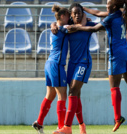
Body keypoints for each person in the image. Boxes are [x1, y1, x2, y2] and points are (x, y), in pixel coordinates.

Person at [67, 0, 127, 132]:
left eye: (108, 3)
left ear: (114, 6)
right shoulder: (121, 13)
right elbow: (99, 13)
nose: (106, 4)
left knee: (114, 87)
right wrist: (85, 8)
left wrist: (76, 27)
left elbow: (93, 28)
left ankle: (118, 118)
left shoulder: (111, 17)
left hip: (116, 53)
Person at [52, 3, 97, 134]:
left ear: (83, 14)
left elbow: (101, 26)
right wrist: (53, 25)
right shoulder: (68, 26)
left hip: (84, 62)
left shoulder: (88, 25)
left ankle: (67, 127)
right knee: (76, 95)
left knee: (72, 91)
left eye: (79, 13)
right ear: (71, 15)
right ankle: (82, 126)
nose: (77, 15)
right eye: (75, 13)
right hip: (72, 63)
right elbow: (58, 24)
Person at [32, 5, 70, 134]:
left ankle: (39, 122)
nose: (70, 19)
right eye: (68, 16)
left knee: (50, 95)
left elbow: (56, 24)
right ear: (63, 16)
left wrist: (53, 23)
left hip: (49, 63)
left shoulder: (54, 28)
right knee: (62, 95)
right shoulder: (63, 29)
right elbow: (74, 27)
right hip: (57, 65)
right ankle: (61, 128)